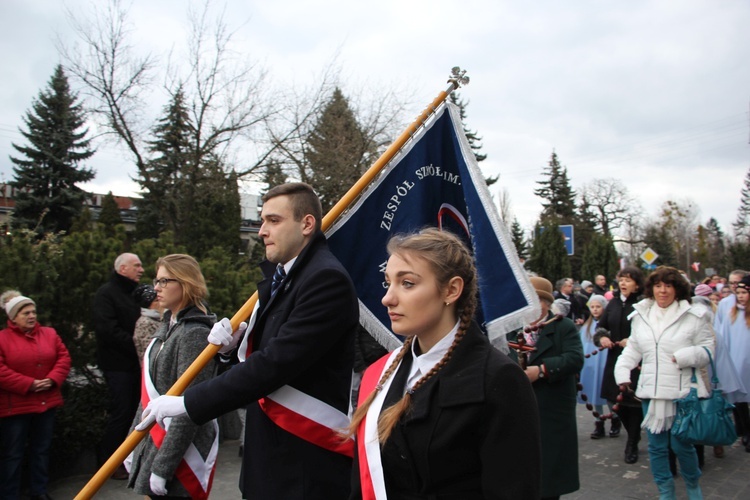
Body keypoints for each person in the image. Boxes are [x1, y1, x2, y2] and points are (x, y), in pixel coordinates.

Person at [137, 183, 359, 499]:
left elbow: (275, 364)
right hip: (269, 456)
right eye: (261, 221)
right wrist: (231, 351)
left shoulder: (325, 279)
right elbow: (267, 353)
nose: (261, 232)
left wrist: (189, 402)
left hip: (302, 463)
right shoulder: (285, 276)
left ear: (307, 224)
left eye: (273, 220)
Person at [348, 229, 540, 499]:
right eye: (388, 283)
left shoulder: (499, 379)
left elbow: (513, 489)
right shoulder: (384, 373)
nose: (387, 298)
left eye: (407, 283)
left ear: (451, 290)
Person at [614, 266, 714, 500]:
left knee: (681, 445)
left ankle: (692, 484)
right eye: (658, 286)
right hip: (651, 392)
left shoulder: (694, 315)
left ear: (677, 289)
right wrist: (622, 371)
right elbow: (634, 348)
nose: (663, 290)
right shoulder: (641, 315)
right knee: (656, 448)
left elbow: (709, 350)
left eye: (668, 285)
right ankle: (666, 493)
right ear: (651, 289)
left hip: (682, 392)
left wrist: (685, 356)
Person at [126, 254, 219, 499]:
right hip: (156, 443)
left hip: (180, 453)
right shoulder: (167, 328)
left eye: (164, 281)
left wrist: (162, 467)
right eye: (156, 280)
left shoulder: (195, 334)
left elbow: (188, 407)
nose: (156, 288)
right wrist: (131, 444)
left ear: (186, 283)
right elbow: (149, 395)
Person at [0, 291, 71, 500]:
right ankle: (9, 494)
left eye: (33, 312)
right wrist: (28, 384)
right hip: (16, 407)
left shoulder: (49, 333)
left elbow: (63, 357)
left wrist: (52, 379)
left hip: (45, 403)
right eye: (25, 313)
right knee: (12, 454)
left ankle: (38, 491)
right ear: (13, 318)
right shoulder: (3, 339)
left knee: (41, 450)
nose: (31, 316)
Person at [525, 276, 584, 500]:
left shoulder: (562, 327)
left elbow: (574, 359)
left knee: (549, 477)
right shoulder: (511, 330)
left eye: (537, 300)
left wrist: (540, 370)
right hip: (519, 409)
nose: (531, 307)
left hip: (551, 410)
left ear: (547, 303)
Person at [93, 252, 144, 479]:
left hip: (136, 364)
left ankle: (130, 458)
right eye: (137, 265)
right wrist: (137, 344)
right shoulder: (106, 294)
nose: (141, 270)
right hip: (117, 365)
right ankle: (110, 464)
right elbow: (107, 330)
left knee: (136, 412)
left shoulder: (136, 293)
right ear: (122, 269)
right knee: (121, 412)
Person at [595, 266, 645, 463]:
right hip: (614, 358)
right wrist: (603, 339)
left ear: (637, 284)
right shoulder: (613, 303)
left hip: (636, 361)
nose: (623, 283)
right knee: (613, 400)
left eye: (628, 280)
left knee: (633, 402)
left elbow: (649, 330)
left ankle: (632, 441)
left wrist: (633, 341)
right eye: (621, 279)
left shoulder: (642, 304)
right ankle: (632, 432)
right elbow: (601, 327)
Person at [714, 274, 750, 453]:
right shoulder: (731, 312)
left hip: (747, 360)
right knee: (739, 399)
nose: (741, 295)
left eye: (744, 292)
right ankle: (744, 429)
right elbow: (721, 334)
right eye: (739, 292)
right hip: (736, 360)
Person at [579, 294, 610, 439]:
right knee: (593, 393)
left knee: (608, 394)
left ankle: (614, 418)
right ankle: (599, 421)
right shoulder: (586, 326)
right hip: (591, 364)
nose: (595, 310)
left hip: (604, 364)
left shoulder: (607, 325)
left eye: (598, 307)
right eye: (592, 307)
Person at [132, 284, 163, 365]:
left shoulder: (159, 319)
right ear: (148, 305)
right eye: (156, 300)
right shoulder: (144, 323)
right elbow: (149, 350)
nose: (160, 302)